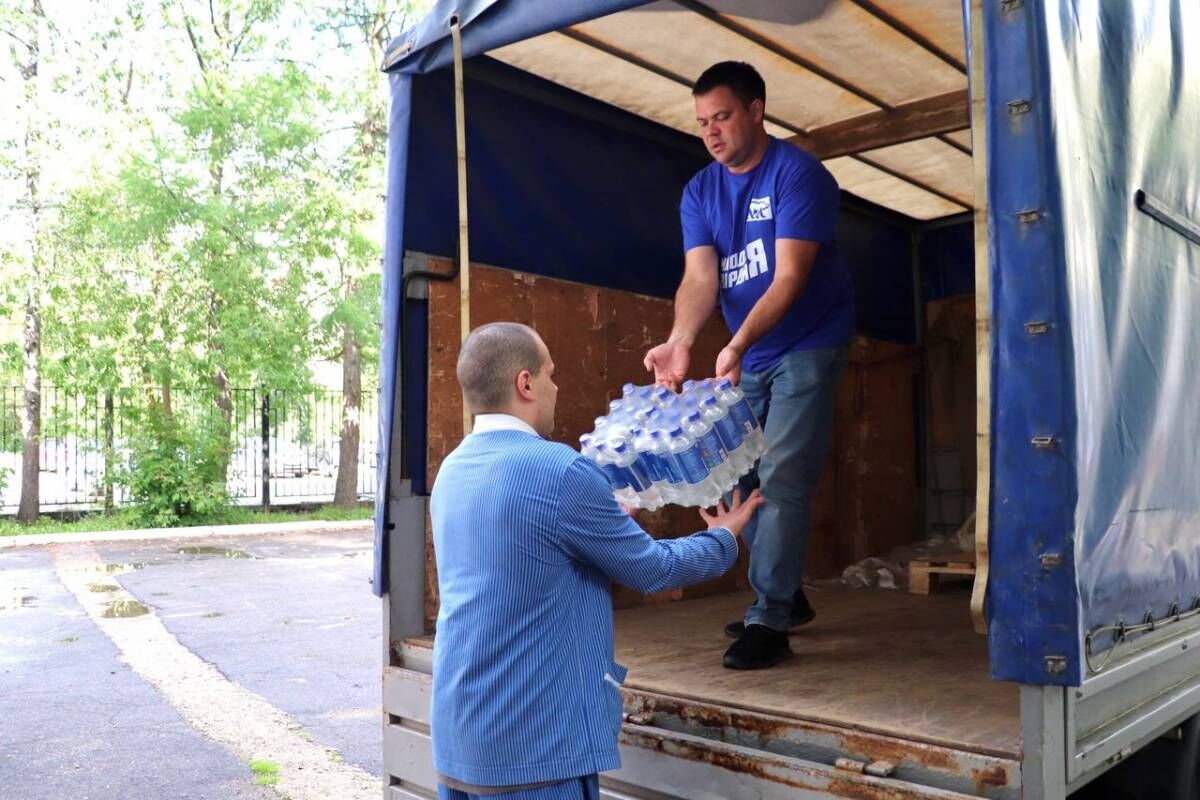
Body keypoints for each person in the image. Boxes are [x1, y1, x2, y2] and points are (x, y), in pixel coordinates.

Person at [430, 321, 763, 800]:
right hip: (536, 752)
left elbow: (528, 554)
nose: (556, 387)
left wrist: (603, 517)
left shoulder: (452, 471)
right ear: (525, 384)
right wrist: (723, 537)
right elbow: (654, 569)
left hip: (459, 743)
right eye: (550, 374)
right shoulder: (561, 470)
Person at [644, 61, 853, 671]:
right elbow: (701, 277)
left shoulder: (799, 176)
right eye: (702, 122)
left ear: (757, 110)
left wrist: (735, 345)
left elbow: (790, 277)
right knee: (740, 477)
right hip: (749, 352)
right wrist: (682, 340)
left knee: (783, 473)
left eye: (723, 116)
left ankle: (771, 615)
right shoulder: (700, 191)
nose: (711, 132)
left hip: (809, 342)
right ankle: (789, 595)